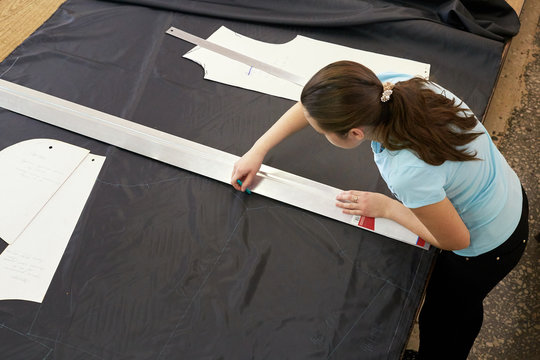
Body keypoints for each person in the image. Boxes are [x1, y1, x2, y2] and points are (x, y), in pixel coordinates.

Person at [230, 60, 529, 359]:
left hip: (490, 245)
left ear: (356, 134)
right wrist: (258, 149)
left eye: (324, 133)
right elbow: (311, 107)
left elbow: (456, 241)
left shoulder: (408, 170)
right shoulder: (390, 88)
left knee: (445, 319)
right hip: (508, 192)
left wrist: (388, 208)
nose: (320, 133)